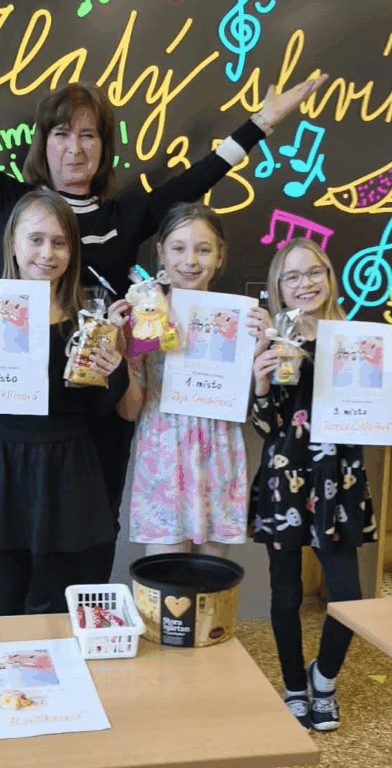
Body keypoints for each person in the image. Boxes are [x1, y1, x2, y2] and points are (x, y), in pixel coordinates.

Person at [0, 0, 328, 577]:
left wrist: (263, 121)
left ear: (104, 147)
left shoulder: (126, 215)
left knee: (92, 540)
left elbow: (199, 178)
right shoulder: (12, 202)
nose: (76, 148)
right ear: (43, 142)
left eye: (90, 136)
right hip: (24, 417)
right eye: (63, 134)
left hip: (101, 404)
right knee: (16, 555)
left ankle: (80, 626)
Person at [0, 188, 130, 615]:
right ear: (13, 244)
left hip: (68, 462)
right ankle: (6, 657)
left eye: (60, 242)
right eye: (36, 239)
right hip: (7, 459)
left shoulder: (87, 321)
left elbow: (97, 410)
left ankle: (59, 657)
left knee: (59, 589)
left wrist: (115, 373)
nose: (47, 253)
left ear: (72, 252)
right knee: (7, 586)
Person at [249, 238, 392, 732]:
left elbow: (375, 419)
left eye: (314, 272)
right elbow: (266, 427)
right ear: (278, 288)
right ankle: (293, 687)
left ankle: (322, 679)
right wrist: (260, 383)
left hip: (338, 482)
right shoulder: (274, 341)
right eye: (292, 276)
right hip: (284, 480)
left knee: (348, 596)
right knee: (285, 594)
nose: (305, 284)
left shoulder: (359, 340)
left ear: (329, 276)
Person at [115, 203, 269, 558]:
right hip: (163, 460)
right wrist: (123, 352)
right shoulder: (146, 317)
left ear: (219, 256)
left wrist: (260, 351)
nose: (190, 261)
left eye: (203, 249)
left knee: (212, 583)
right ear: (161, 253)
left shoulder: (242, 319)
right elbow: (129, 411)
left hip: (220, 455)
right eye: (178, 248)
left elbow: (250, 406)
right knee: (162, 582)